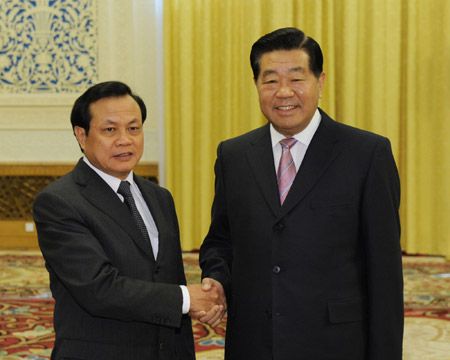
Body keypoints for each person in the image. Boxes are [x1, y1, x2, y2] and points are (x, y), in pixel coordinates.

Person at [199, 27, 403, 359]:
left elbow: (385, 272)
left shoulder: (366, 153)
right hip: (254, 341)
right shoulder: (233, 155)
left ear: (320, 82)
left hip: (336, 342)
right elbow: (222, 240)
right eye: (270, 80)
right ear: (256, 85)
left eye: (296, 79)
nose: (283, 92)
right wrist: (217, 280)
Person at [33, 81, 225, 360]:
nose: (125, 139)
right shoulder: (60, 201)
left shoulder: (159, 197)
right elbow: (98, 288)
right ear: (82, 135)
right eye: (110, 129)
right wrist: (186, 299)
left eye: (133, 128)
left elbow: (166, 276)